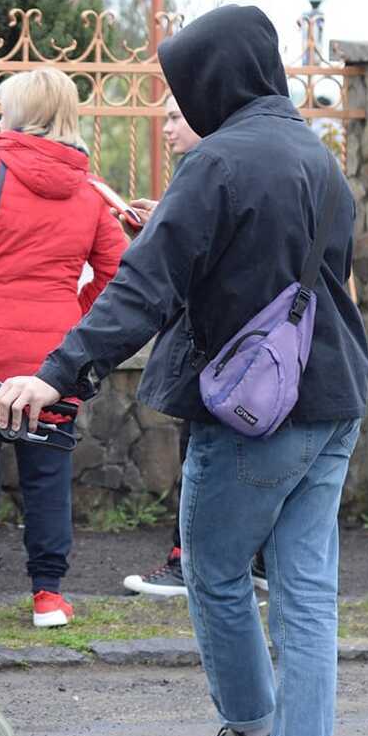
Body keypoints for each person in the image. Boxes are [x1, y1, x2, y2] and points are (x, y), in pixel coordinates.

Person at [0, 5, 368, 736]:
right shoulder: (315, 155)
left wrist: (56, 375)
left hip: (254, 410)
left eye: (182, 84)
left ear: (214, 79)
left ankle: (250, 734)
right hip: (333, 393)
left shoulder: (220, 162)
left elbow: (142, 288)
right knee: (305, 583)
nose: (178, 100)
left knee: (216, 569)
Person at [0, 69, 126, 628]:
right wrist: (73, 308)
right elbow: (116, 272)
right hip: (52, 360)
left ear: (20, 112)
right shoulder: (88, 190)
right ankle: (47, 595)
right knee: (47, 475)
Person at [121, 99, 268, 600]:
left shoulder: (212, 168)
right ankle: (251, 559)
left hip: (220, 350)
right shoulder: (228, 168)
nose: (165, 129)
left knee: (205, 456)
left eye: (175, 118)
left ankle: (191, 561)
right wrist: (165, 220)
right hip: (246, 349)